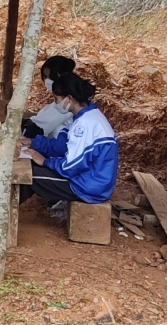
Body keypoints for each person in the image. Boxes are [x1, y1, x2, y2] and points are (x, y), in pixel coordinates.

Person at [18, 72, 117, 220]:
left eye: (56, 99)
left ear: (69, 98)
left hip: (89, 186)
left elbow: (71, 167)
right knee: (32, 168)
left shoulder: (85, 125)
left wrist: (45, 161)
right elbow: (61, 146)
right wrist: (33, 142)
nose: (55, 103)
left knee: (28, 176)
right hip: (87, 178)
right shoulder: (83, 116)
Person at [23, 55, 77, 139]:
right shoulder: (60, 102)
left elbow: (37, 128)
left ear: (64, 76)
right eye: (45, 77)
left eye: (51, 77)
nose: (47, 80)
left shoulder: (66, 104)